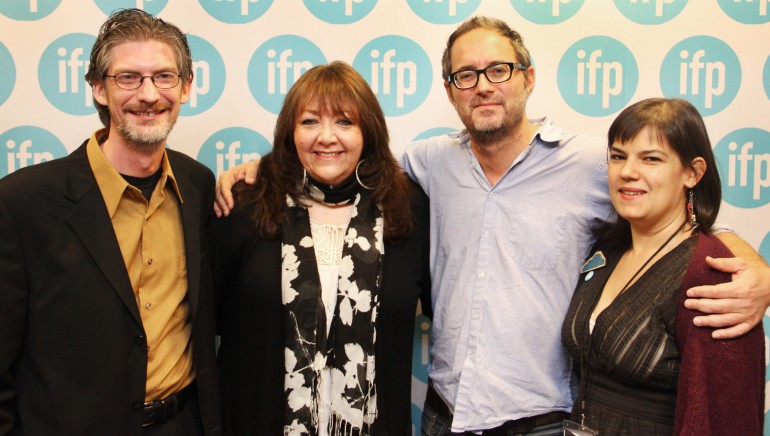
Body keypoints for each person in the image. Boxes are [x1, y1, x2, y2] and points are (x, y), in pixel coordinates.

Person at [213, 16, 770, 435]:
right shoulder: (428, 165)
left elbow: (671, 208)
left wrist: (755, 268)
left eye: (498, 70)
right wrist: (265, 166)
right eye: (465, 75)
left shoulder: (590, 164)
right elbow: (336, 160)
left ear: (527, 78)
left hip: (543, 419)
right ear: (451, 90)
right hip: (445, 417)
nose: (483, 85)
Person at [0, 9, 220, 435]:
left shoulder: (197, 185)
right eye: (128, 78)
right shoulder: (21, 203)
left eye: (164, 76)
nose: (149, 93)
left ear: (187, 87)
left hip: (185, 423)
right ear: (99, 88)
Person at [209, 61, 430, 435]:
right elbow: (207, 317)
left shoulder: (406, 209)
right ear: (290, 133)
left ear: (368, 133)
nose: (326, 137)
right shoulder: (247, 204)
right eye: (310, 121)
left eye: (344, 122)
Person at [561, 98, 764, 435]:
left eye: (651, 159)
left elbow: (724, 417)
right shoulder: (606, 248)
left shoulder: (712, 276)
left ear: (693, 172)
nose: (628, 171)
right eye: (618, 156)